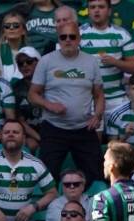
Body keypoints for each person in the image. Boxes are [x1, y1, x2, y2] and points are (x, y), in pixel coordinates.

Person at [29, 21, 104, 183]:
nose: (68, 40)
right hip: (54, 129)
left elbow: (99, 95)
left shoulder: (91, 62)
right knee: (46, 178)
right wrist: (49, 105)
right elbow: (33, 94)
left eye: (72, 36)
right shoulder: (46, 61)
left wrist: (97, 115)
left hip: (84, 129)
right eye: (63, 37)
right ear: (59, 39)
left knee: (96, 175)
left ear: (79, 39)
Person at [0, 120, 57, 221]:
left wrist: (33, 207)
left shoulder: (35, 164)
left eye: (15, 132)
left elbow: (52, 193)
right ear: (1, 137)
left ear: (24, 138)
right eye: (7, 132)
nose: (11, 134)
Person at [80, 0, 134, 123]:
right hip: (89, 99)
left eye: (101, 7)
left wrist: (116, 62)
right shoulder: (79, 34)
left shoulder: (122, 34)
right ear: (88, 11)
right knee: (95, 135)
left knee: (121, 135)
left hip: (116, 98)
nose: (96, 10)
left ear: (109, 11)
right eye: (92, 7)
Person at [12, 46, 42, 152]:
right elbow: (20, 121)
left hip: (51, 132)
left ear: (39, 62)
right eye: (20, 63)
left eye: (29, 61)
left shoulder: (50, 84)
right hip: (29, 134)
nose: (25, 65)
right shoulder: (16, 89)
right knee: (31, 144)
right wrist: (40, 138)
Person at [0, 12, 27, 83]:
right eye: (7, 26)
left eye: (16, 25)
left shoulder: (30, 52)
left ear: (23, 31)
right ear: (4, 32)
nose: (11, 28)